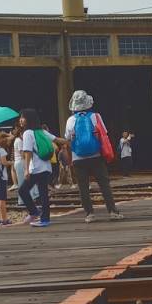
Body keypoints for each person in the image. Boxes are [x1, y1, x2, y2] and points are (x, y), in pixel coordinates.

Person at [64, 90, 123, 223]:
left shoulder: (70, 120)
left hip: (78, 158)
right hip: (96, 156)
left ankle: (89, 214)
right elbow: (104, 133)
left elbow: (68, 139)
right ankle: (113, 211)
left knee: (83, 187)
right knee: (104, 184)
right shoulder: (95, 116)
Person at [13, 108, 57, 227]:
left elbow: (28, 152)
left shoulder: (28, 133)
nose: (20, 120)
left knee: (23, 190)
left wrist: (26, 169)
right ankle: (44, 218)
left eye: (23, 117)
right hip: (46, 167)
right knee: (43, 193)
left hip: (35, 168)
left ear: (28, 119)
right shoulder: (41, 131)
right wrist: (70, 141)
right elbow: (57, 140)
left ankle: (34, 212)